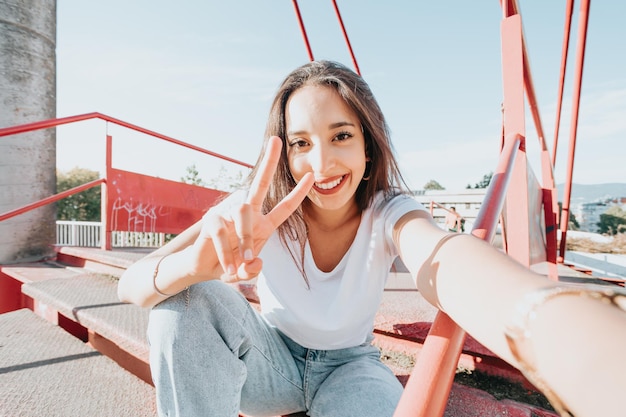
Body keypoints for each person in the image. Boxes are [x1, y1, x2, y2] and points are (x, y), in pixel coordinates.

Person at [118, 60, 626, 417]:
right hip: (269, 359)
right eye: (301, 144)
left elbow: (443, 258)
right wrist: (194, 268)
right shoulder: (255, 211)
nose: (322, 164)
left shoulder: (389, 213)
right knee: (183, 299)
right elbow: (132, 286)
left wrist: (558, 325)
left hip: (350, 368)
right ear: (285, 154)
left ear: (367, 145)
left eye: (341, 136)